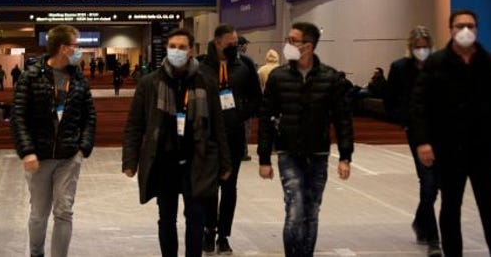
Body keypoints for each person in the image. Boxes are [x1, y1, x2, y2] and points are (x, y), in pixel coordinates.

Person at [411, 10, 491, 257]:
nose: (465, 30)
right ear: (450, 29)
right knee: (451, 208)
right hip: (449, 149)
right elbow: (420, 106)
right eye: (460, 25)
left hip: (485, 149)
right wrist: (423, 141)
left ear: (477, 29)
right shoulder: (436, 63)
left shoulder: (490, 62)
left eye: (470, 25)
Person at [122, 28, 232, 257]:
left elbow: (218, 124)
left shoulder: (206, 81)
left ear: (191, 50)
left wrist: (225, 162)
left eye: (182, 47)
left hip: (198, 159)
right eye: (172, 46)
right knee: (166, 217)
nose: (176, 51)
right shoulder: (150, 82)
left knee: (195, 216)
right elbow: (135, 124)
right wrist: (130, 161)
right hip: (164, 159)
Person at [258, 21, 354, 257]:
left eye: (293, 40)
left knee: (312, 211)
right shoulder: (278, 77)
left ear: (308, 46)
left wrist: (345, 156)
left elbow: (343, 119)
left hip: (318, 153)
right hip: (288, 152)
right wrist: (263, 158)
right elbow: (265, 118)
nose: (287, 44)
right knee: (295, 208)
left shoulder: (330, 78)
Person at [11, 25, 97, 257]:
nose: (79, 50)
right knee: (39, 214)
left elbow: (90, 116)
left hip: (69, 157)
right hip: (40, 157)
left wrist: (83, 148)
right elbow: (18, 117)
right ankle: (36, 253)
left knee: (64, 211)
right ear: (63, 48)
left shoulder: (78, 79)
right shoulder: (31, 77)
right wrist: (27, 151)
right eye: (76, 46)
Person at [198, 24, 262, 254]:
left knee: (229, 187)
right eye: (230, 44)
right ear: (217, 43)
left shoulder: (244, 65)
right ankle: (208, 230)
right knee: (209, 188)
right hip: (208, 138)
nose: (235, 47)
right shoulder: (201, 66)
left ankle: (224, 235)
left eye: (236, 43)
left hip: (233, 137)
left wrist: (240, 116)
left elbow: (256, 98)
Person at [385, 25, 440, 255]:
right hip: (417, 131)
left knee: (435, 184)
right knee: (427, 181)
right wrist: (403, 119)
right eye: (418, 47)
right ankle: (434, 240)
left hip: (441, 130)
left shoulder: (439, 65)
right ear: (410, 48)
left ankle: (420, 220)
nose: (422, 51)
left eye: (425, 47)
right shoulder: (399, 68)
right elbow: (389, 99)